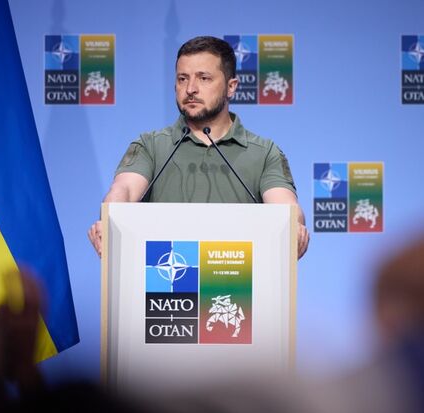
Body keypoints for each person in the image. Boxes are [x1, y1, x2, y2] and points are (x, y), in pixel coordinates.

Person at [88, 36, 309, 258]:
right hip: (167, 273)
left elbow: (286, 208)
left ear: (231, 87)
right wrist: (110, 218)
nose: (190, 89)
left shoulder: (264, 152)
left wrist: (294, 227)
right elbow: (124, 190)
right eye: (182, 79)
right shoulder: (150, 146)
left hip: (236, 275)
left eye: (204, 78)